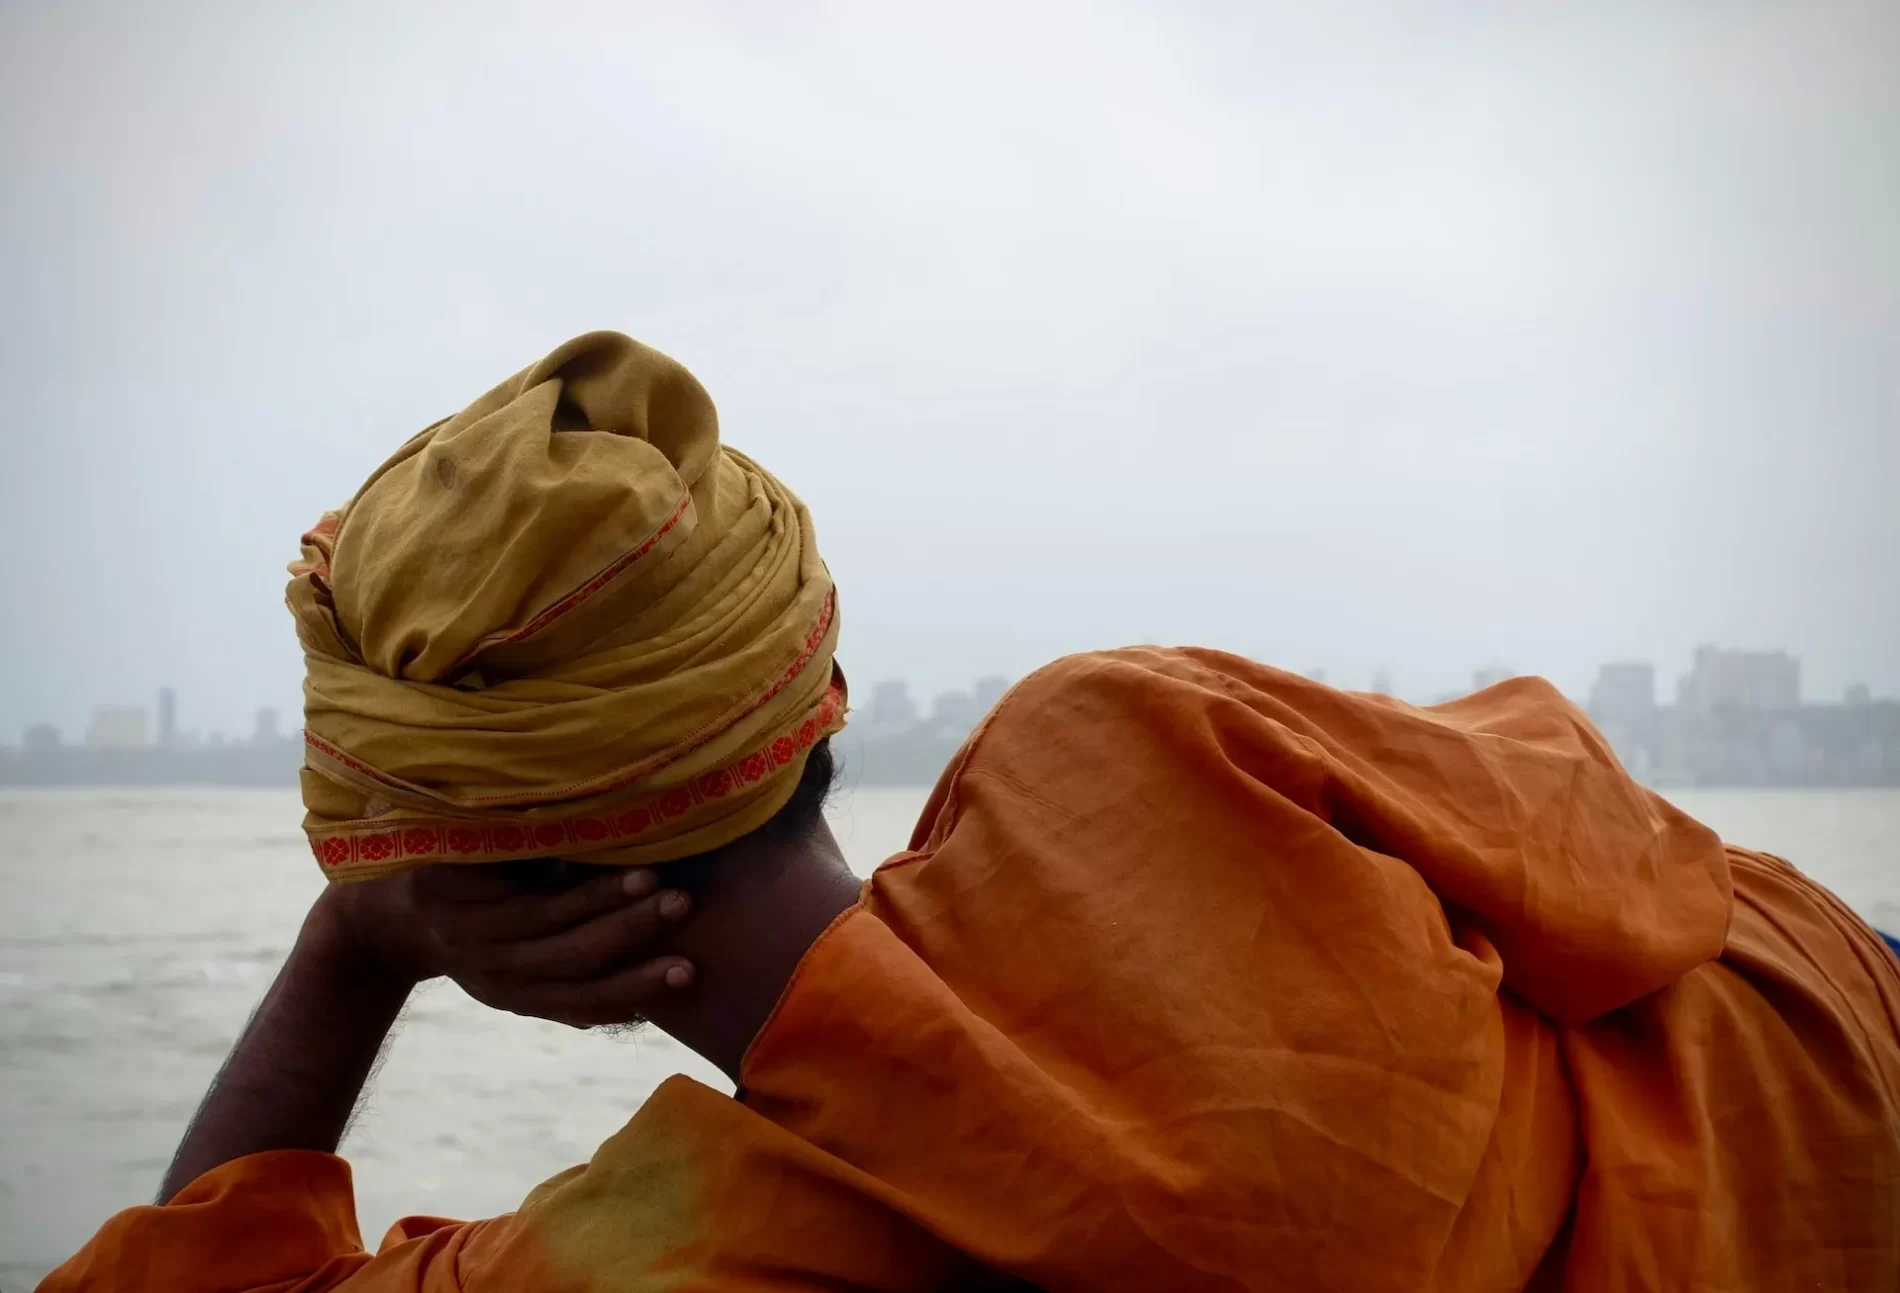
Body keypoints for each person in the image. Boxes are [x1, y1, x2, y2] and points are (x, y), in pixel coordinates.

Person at [43, 333, 1900, 1291]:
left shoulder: (714, 1246)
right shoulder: (1136, 749)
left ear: (466, 887)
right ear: (812, 700)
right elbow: (1641, 863)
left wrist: (354, 950)